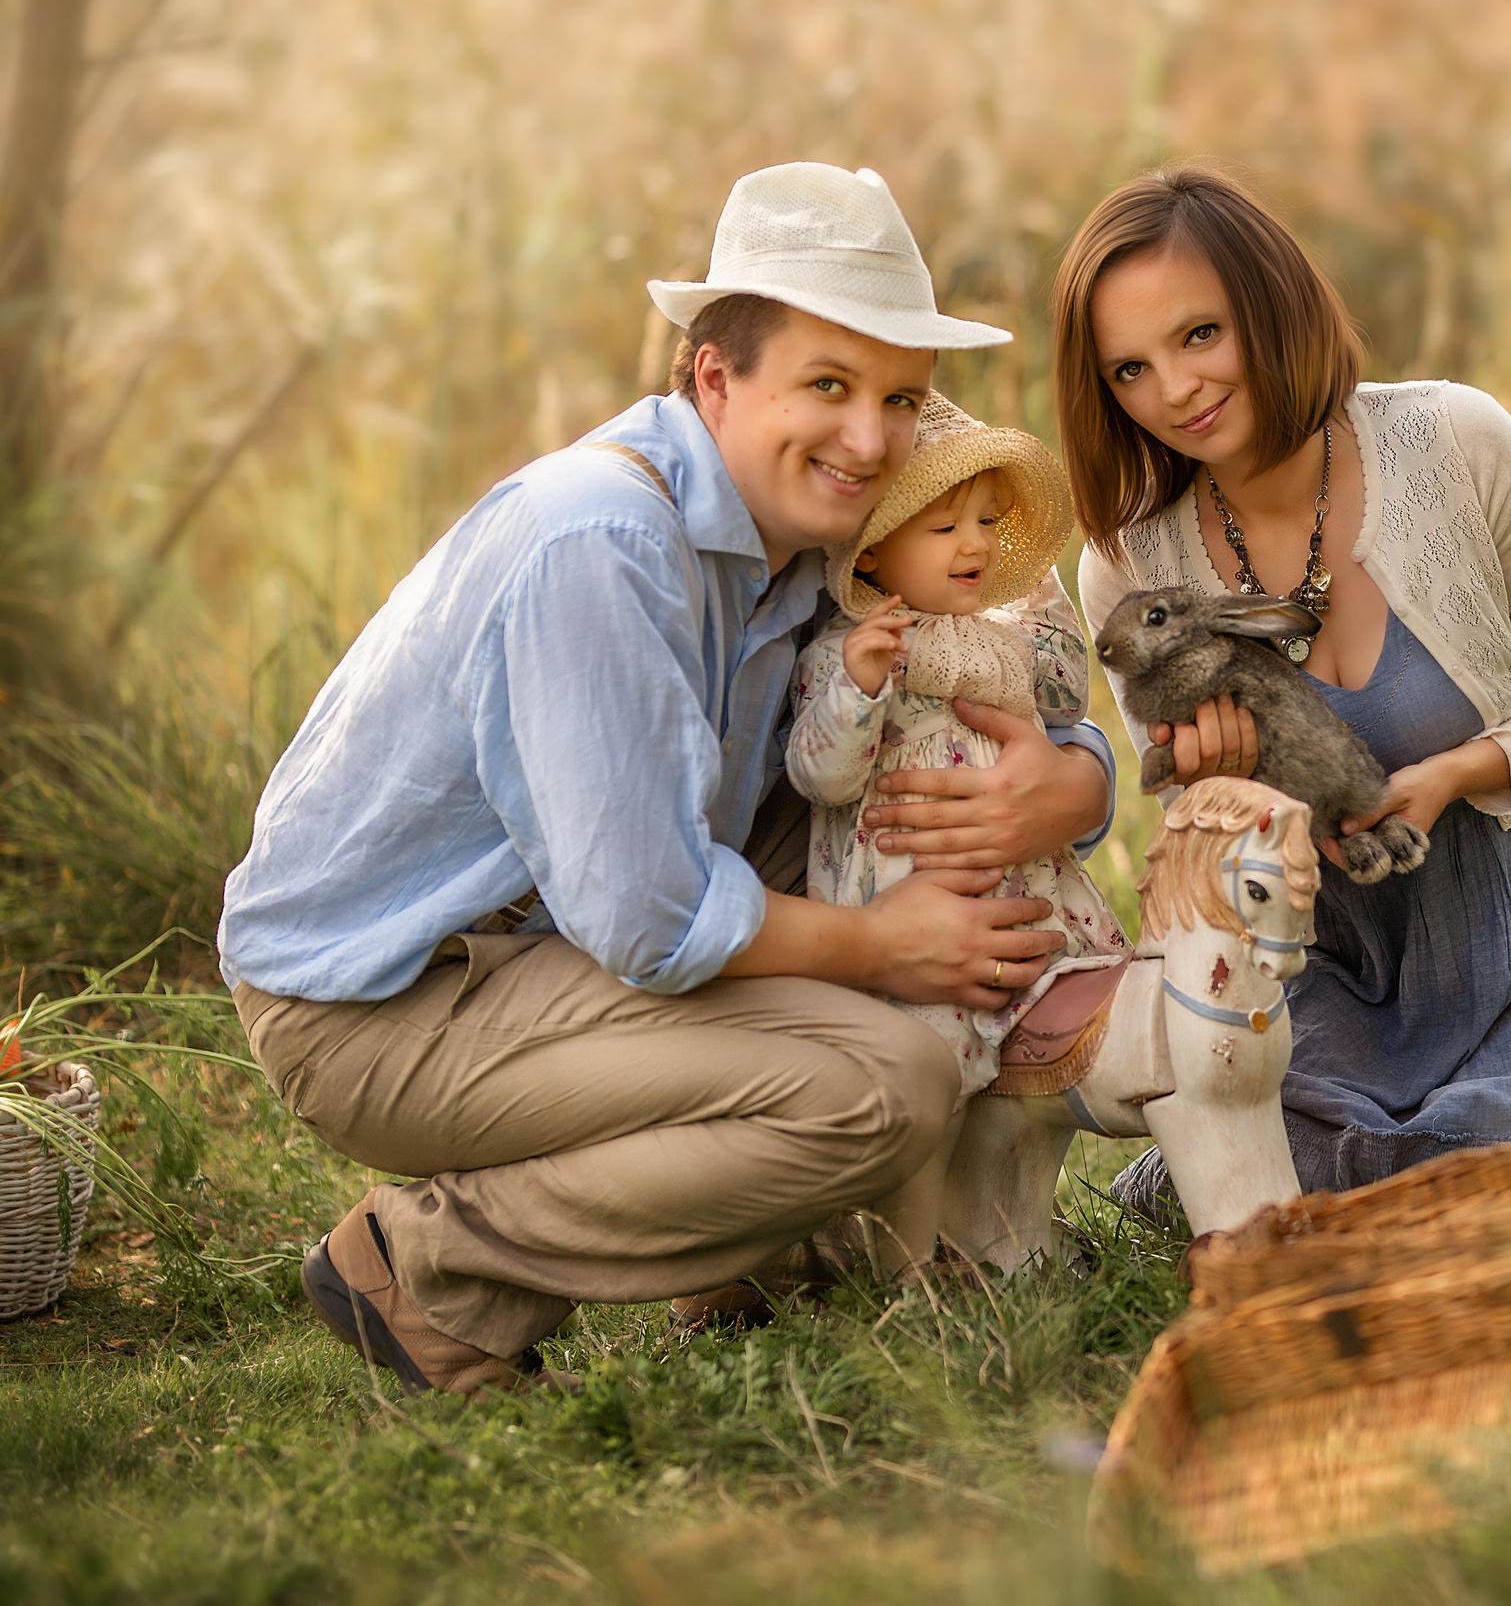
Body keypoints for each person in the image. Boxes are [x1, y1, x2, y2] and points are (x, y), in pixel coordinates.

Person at [216, 162, 1116, 1396]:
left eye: (901, 398)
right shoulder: (602, 539)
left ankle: (765, 1244)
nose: (870, 438)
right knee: (882, 1083)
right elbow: (652, 917)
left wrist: (1075, 781)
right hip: (388, 999)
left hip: (553, 949)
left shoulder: (801, 545)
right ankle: (430, 1272)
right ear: (712, 377)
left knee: (859, 798)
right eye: (827, 386)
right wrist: (880, 947)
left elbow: (996, 668)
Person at [1061, 167, 1511, 1198]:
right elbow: (1186, 811)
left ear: (1272, 307)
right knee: (1270, 1169)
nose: (1173, 392)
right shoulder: (1129, 565)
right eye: (1128, 370)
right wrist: (1216, 790)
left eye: (1198, 336)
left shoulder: (1452, 441)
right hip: (1321, 970)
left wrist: (1457, 773)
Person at [789, 393, 1129, 1092]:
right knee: (931, 1074)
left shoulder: (1001, 636)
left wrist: (1040, 590)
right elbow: (820, 776)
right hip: (908, 905)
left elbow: (1065, 691)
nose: (975, 543)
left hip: (1024, 888)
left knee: (1094, 1017)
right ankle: (923, 1186)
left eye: (986, 522)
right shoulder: (847, 654)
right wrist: (860, 689)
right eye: (945, 526)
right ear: (873, 551)